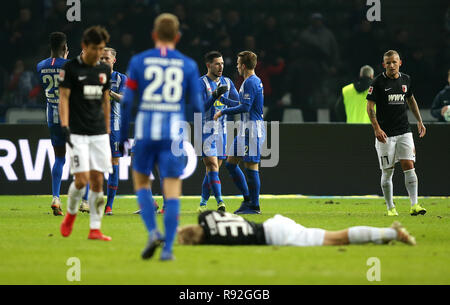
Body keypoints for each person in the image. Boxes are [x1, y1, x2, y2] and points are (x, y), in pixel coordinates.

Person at [119, 13, 203, 261]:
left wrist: (123, 137)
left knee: (143, 183)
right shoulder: (188, 65)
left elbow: (126, 104)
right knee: (172, 189)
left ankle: (153, 231)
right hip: (172, 136)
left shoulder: (138, 61)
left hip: (145, 134)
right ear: (177, 36)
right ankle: (168, 250)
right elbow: (198, 106)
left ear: (154, 35)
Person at [58, 26, 113, 241]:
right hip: (77, 132)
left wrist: (107, 128)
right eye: (94, 48)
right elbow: (63, 97)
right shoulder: (70, 68)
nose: (98, 53)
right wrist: (64, 125)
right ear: (84, 46)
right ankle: (70, 215)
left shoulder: (104, 70)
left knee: (98, 181)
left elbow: (105, 100)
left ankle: (95, 229)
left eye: (101, 49)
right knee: (81, 180)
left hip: (99, 132)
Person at [366, 50, 427, 217]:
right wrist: (377, 128)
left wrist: (419, 121)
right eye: (388, 62)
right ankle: (390, 207)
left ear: (400, 62)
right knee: (387, 172)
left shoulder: (406, 79)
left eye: (394, 62)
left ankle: (414, 205)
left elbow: (411, 100)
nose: (391, 65)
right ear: (383, 64)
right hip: (386, 135)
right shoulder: (377, 83)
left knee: (409, 166)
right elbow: (370, 107)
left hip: (404, 131)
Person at [177, 210, 416, 247]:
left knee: (337, 239)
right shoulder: (207, 216)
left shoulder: (212, 240)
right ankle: (387, 235)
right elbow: (209, 217)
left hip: (274, 235)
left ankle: (392, 232)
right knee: (336, 238)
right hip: (274, 222)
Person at [214, 51, 265, 215]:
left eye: (238, 64)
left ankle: (254, 206)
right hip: (245, 129)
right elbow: (242, 103)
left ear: (243, 66)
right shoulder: (249, 82)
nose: (236, 67)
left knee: (251, 165)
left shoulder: (251, 82)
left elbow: (245, 107)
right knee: (231, 163)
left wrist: (223, 112)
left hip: (253, 129)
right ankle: (248, 199)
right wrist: (223, 100)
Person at [198, 51, 240, 213]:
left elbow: (237, 103)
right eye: (217, 63)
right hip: (206, 131)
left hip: (223, 132)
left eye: (222, 63)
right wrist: (215, 95)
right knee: (213, 166)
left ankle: (202, 203)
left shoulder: (228, 82)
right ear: (209, 65)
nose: (221, 66)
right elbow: (201, 108)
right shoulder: (201, 83)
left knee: (211, 170)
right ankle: (220, 202)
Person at [36, 32, 69, 216]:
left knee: (59, 158)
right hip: (71, 117)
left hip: (52, 117)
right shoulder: (71, 65)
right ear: (65, 48)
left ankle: (56, 197)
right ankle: (86, 200)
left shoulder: (40, 66)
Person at [100, 47, 127, 215]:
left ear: (113, 61)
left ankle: (109, 205)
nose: (103, 61)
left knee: (114, 164)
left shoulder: (121, 78)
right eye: (101, 58)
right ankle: (86, 202)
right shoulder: (93, 77)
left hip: (115, 126)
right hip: (95, 126)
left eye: (106, 59)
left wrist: (109, 93)